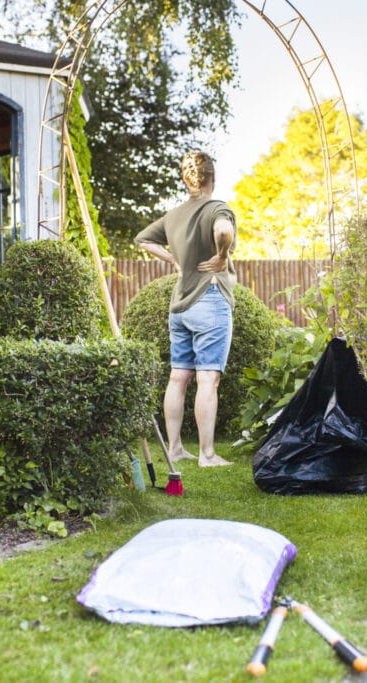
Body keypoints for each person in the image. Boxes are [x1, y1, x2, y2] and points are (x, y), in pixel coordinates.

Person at [134, 151, 236, 467]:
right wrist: (222, 254)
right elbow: (223, 231)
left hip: (179, 306)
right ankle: (207, 454)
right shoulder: (217, 207)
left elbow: (142, 239)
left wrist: (172, 260)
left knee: (178, 376)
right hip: (209, 299)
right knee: (208, 379)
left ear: (186, 178)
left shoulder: (173, 215)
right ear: (212, 178)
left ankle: (175, 449)